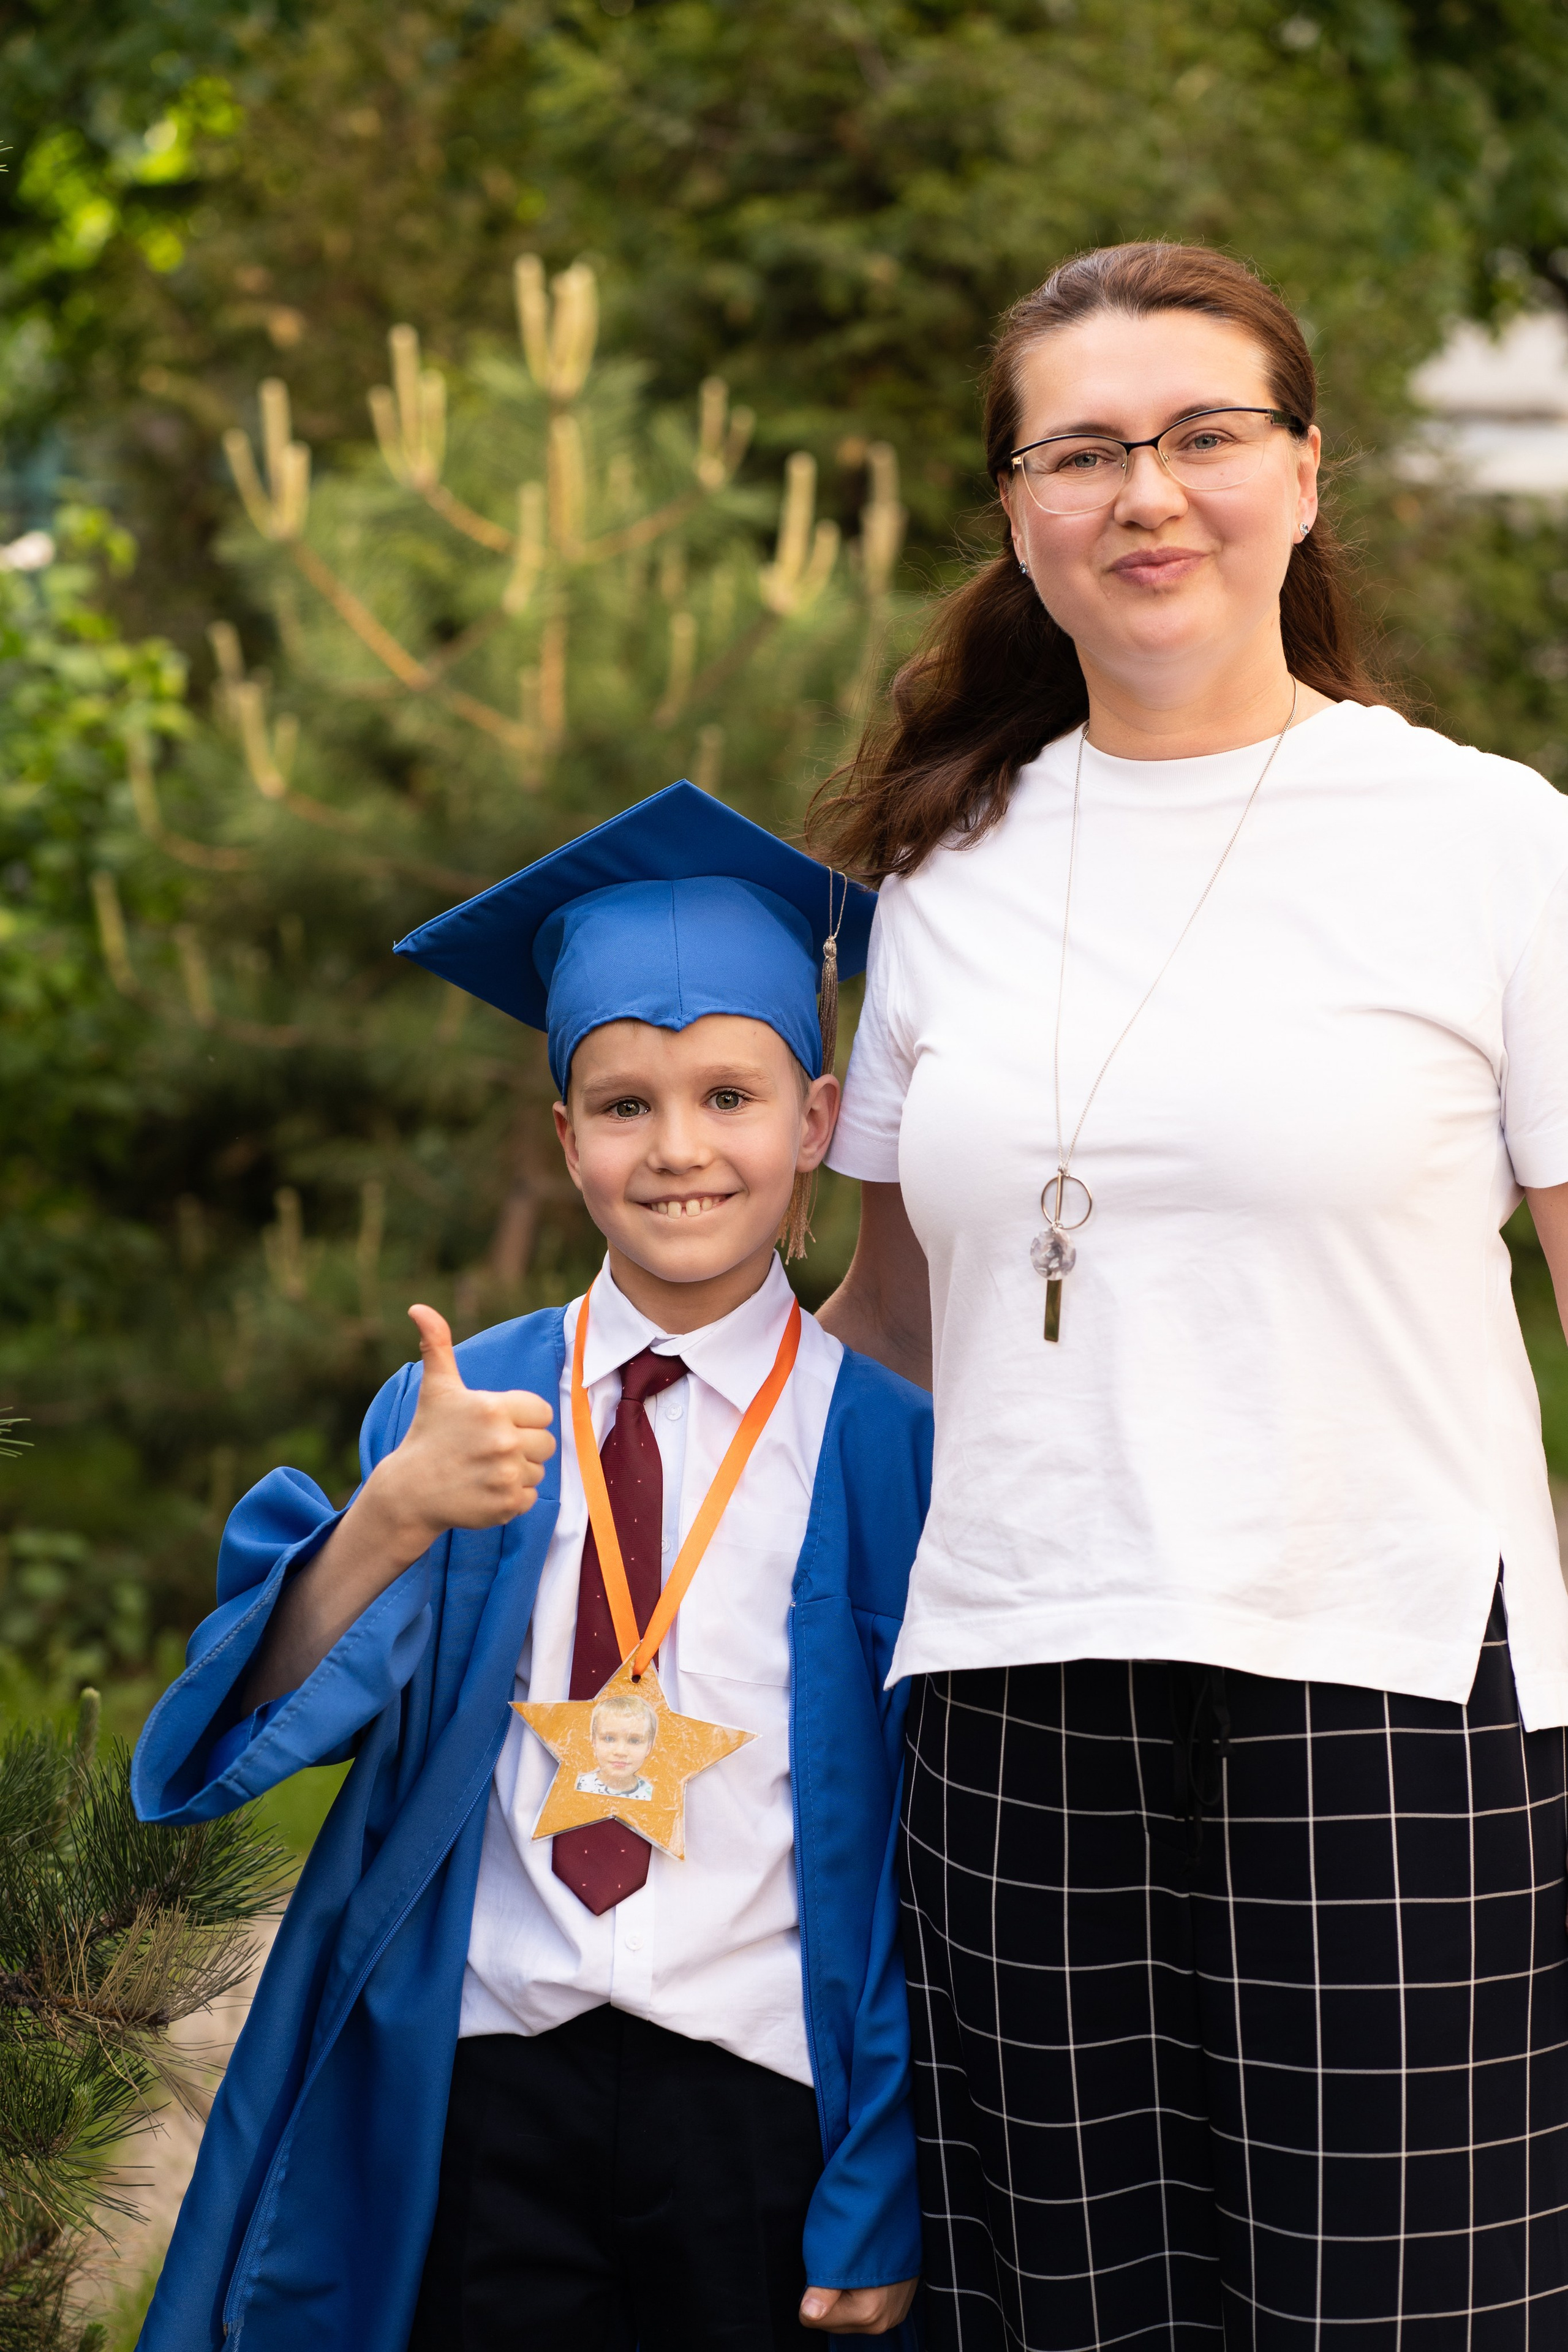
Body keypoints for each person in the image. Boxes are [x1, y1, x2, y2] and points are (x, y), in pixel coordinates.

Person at [813, 241, 1568, 2349]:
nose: (1148, 493)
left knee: (1390, 2314)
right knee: (1060, 2313)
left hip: (1391, 1678)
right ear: (1018, 514)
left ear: (1305, 476)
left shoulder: (1488, 841)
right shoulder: (935, 872)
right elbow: (886, 1324)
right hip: (1010, 1686)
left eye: (1204, 436)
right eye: (1084, 451)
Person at [132, 783, 931, 2352]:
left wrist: (882, 2170)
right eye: (625, 1104)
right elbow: (233, 1738)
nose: (679, 1147)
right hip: (490, 2084)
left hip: (761, 2097)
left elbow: (925, 1848)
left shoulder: (882, 1448)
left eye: (730, 1096)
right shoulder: (465, 1405)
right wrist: (390, 1515)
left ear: (818, 1123)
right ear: (564, 1136)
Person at [576, 1692, 658, 1799]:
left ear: (648, 1748)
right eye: (609, 1739)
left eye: (634, 1741)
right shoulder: (580, 1786)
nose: (621, 1752)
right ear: (594, 1742)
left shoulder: (652, 1795)